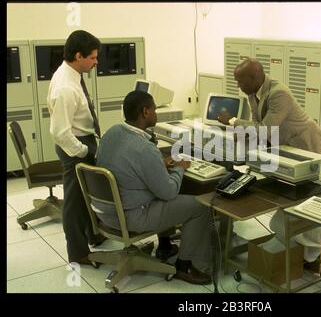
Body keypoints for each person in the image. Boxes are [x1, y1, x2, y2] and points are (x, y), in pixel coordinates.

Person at [218, 59, 321, 264]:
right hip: (286, 147)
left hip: (307, 147)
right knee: (289, 196)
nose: (238, 86)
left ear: (253, 78)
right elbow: (256, 125)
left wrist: (233, 121)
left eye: (240, 81)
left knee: (306, 198)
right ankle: (293, 242)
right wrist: (242, 135)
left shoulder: (279, 93)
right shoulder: (253, 93)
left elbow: (264, 129)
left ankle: (311, 253)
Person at [93, 90, 212, 285]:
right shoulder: (144, 149)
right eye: (155, 109)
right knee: (199, 205)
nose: (157, 113)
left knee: (159, 192)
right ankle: (187, 265)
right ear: (145, 112)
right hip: (131, 217)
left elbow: (124, 166)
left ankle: (165, 247)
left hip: (105, 213)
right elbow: (168, 192)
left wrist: (158, 165)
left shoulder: (111, 133)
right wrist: (179, 169)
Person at [48, 30, 106, 266]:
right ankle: (78, 253)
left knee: (83, 196)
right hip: (75, 147)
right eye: (92, 58)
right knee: (73, 202)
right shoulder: (65, 87)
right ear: (78, 55)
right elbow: (59, 132)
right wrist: (84, 151)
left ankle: (92, 235)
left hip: (81, 141)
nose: (96, 62)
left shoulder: (72, 74)